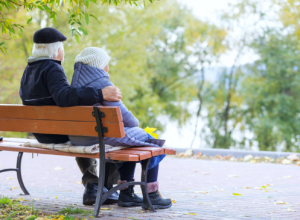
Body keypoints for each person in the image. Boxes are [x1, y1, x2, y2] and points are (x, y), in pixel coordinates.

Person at [19, 27, 121, 205]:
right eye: (62, 48)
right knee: (102, 131)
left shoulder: (29, 70)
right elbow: (64, 97)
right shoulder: (52, 68)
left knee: (80, 128)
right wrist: (100, 94)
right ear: (57, 50)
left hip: (40, 132)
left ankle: (94, 185)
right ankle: (105, 186)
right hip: (58, 132)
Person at [69, 47, 172, 210]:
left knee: (129, 142)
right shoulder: (102, 84)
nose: (108, 67)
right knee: (150, 141)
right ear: (101, 65)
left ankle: (127, 193)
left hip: (81, 138)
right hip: (101, 137)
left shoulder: (73, 87)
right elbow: (126, 117)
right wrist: (135, 124)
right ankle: (151, 194)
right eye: (107, 63)